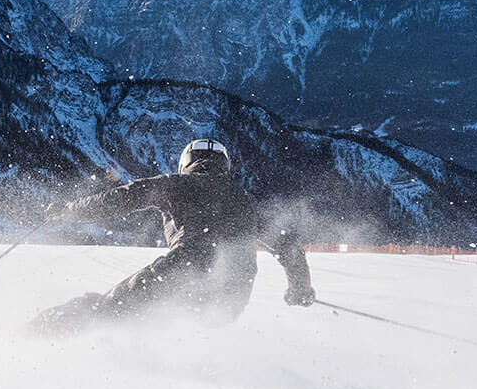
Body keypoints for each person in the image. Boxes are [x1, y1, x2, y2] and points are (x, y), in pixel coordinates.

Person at [31, 137, 314, 334]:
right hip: (232, 298)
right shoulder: (246, 201)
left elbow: (119, 199)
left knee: (107, 309)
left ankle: (36, 333)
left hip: (184, 272)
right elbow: (289, 247)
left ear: (186, 163)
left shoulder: (175, 185)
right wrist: (299, 289)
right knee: (160, 320)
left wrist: (67, 211)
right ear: (224, 166)